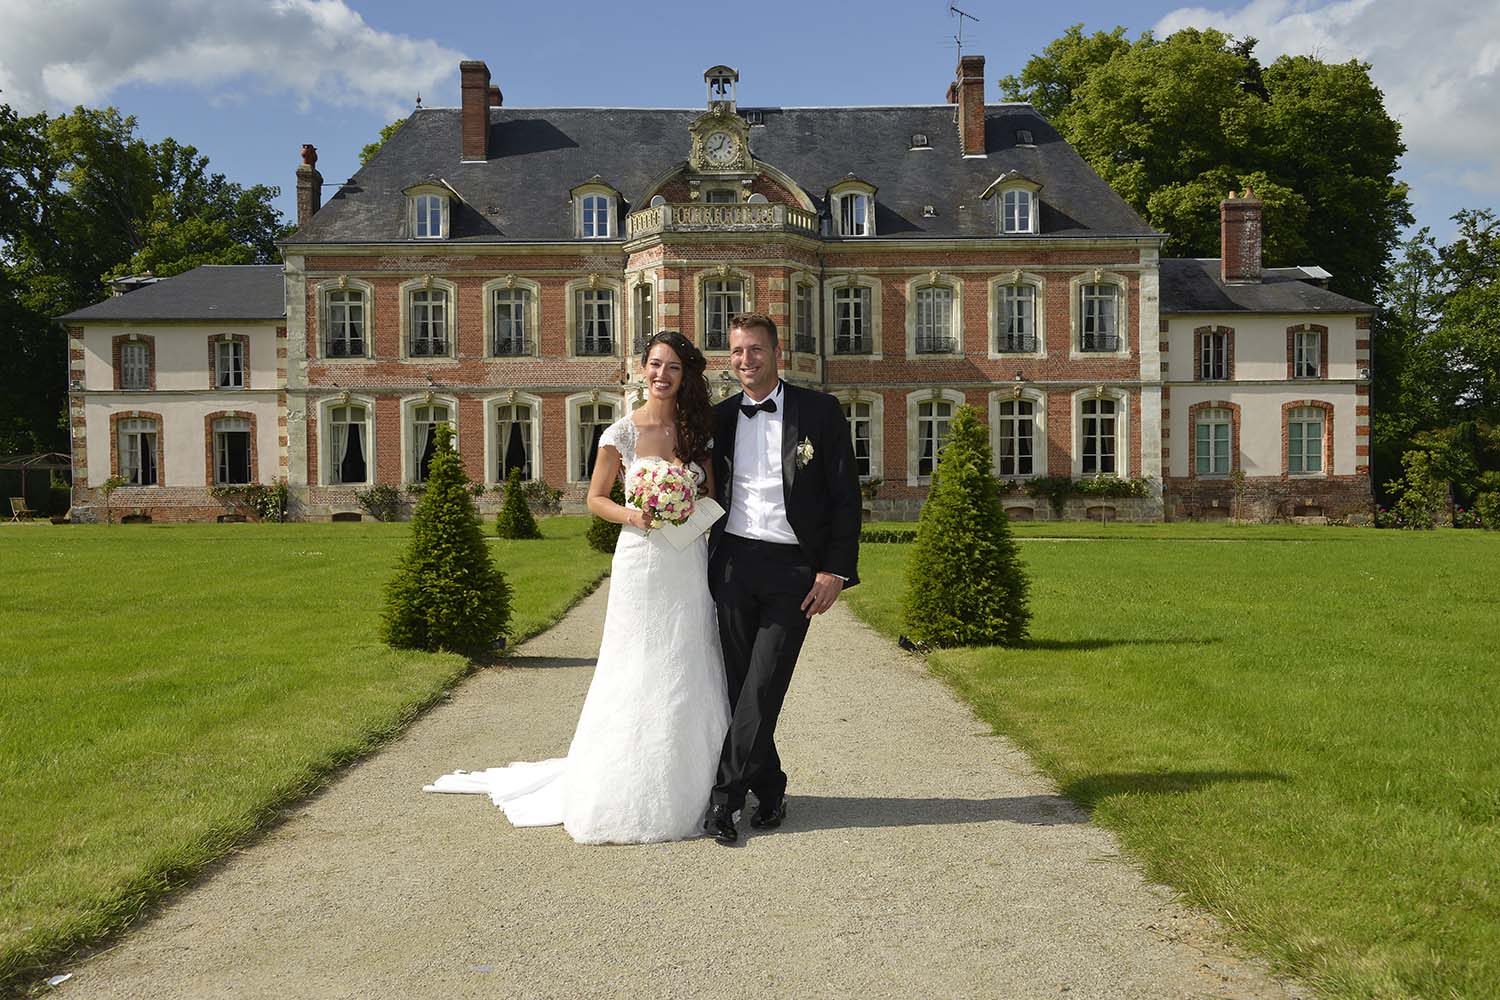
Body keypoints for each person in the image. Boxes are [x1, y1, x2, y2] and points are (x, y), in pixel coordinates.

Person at [424, 331, 730, 844]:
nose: (662, 375)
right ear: (642, 369)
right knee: (634, 660)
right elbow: (595, 498)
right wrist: (637, 514)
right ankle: (623, 783)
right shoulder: (621, 433)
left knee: (687, 656)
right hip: (643, 558)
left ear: (686, 376)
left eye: (673, 367)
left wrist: (685, 509)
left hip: (688, 558)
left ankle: (697, 784)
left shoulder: (699, 432)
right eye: (655, 364)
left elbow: (711, 494)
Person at [704, 312, 862, 844]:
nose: (745, 360)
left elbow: (845, 496)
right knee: (741, 686)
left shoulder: (819, 411)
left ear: (778, 354)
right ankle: (769, 789)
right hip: (733, 564)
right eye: (737, 352)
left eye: (755, 350)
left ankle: (725, 799)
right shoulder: (719, 418)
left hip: (794, 568)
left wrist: (835, 569)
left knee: (764, 681)